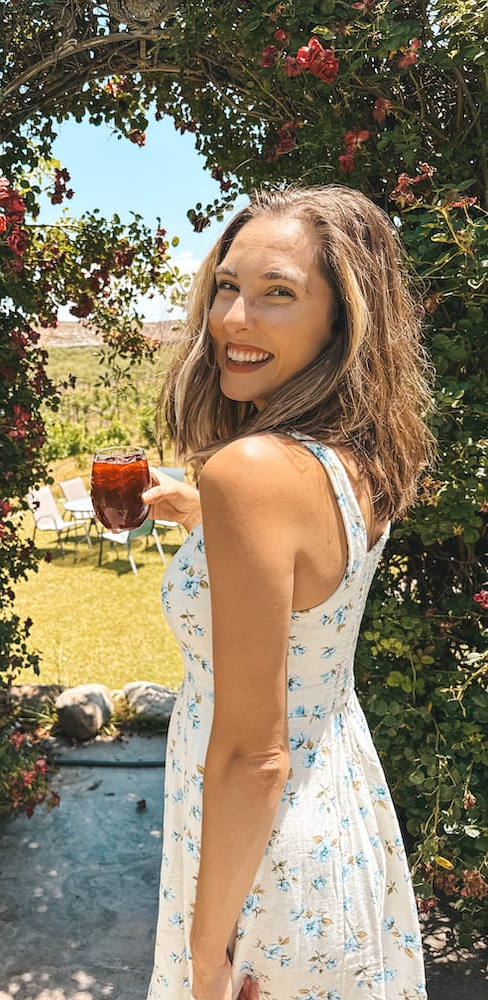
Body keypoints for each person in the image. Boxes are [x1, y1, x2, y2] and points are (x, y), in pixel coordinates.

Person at [140, 185, 436, 1000]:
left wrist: (205, 953)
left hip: (259, 862)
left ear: (342, 320)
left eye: (278, 294)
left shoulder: (253, 473)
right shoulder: (359, 458)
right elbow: (311, 580)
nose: (235, 319)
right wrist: (206, 514)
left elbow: (253, 755)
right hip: (338, 813)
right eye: (228, 287)